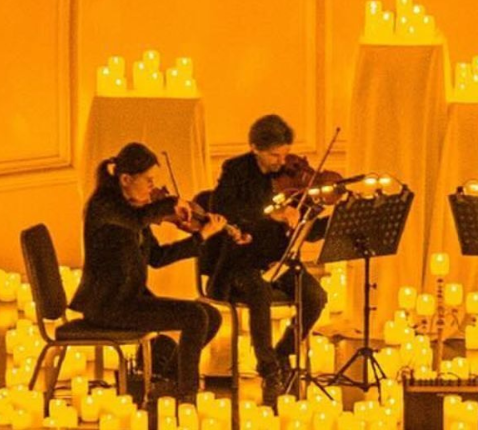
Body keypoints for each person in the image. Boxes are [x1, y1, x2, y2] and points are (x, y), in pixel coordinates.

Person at [70, 142, 237, 402]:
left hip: (131, 299)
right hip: (107, 305)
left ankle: (166, 378)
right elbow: (137, 220)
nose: (151, 187)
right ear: (125, 179)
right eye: (148, 180)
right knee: (195, 317)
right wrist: (171, 204)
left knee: (210, 315)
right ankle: (187, 394)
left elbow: (158, 258)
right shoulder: (104, 205)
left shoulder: (136, 211)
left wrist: (201, 238)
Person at [209, 114, 329, 405]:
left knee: (315, 296)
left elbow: (306, 232)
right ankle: (269, 371)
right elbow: (223, 210)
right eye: (274, 155)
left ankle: (283, 350)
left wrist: (313, 218)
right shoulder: (235, 170)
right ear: (255, 148)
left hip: (278, 259)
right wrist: (270, 214)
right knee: (259, 295)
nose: (281, 161)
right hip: (241, 260)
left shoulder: (288, 175)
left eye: (285, 154)